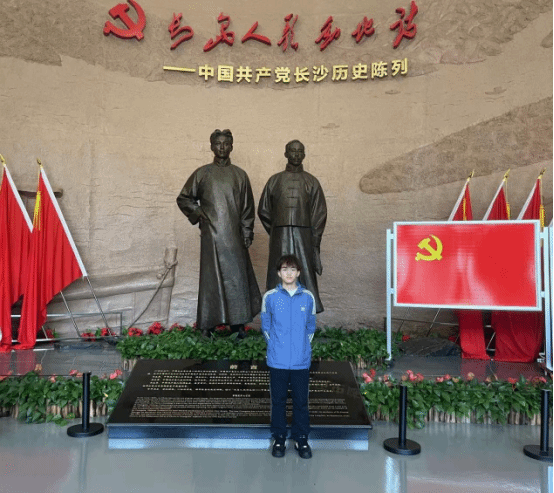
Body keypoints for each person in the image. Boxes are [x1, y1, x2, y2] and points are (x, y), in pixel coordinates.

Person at [177, 129, 261, 338]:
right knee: (211, 280)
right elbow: (184, 198)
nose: (222, 147)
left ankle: (238, 324)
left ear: (232, 146)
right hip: (211, 236)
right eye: (218, 143)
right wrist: (199, 214)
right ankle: (208, 324)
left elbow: (248, 208)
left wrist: (247, 232)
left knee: (237, 278)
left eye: (226, 144)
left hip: (234, 236)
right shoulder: (202, 173)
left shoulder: (240, 175)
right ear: (212, 146)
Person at [258, 140, 327, 313]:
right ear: (286, 153)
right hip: (279, 236)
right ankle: (276, 312)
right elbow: (264, 210)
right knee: (278, 272)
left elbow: (319, 214)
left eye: (300, 151)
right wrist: (276, 230)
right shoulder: (274, 180)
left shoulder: (311, 182)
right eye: (292, 151)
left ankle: (305, 312)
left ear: (304, 155)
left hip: (304, 237)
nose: (296, 154)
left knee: (304, 272)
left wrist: (314, 240)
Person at [261, 254, 316, 459]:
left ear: (298, 272)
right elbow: (266, 327)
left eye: (293, 269)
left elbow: (310, 327)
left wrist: (302, 347)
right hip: (278, 361)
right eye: (285, 269)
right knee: (278, 401)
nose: (289, 273)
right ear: (279, 273)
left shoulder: (308, 297)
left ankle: (301, 439)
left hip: (301, 361)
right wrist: (277, 346)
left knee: (301, 401)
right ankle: (279, 438)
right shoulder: (270, 297)